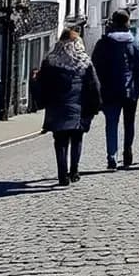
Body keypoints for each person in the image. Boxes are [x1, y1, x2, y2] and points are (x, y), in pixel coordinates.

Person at [38, 29, 102, 185]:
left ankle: (62, 175)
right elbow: (94, 86)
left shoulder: (50, 61)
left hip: (57, 109)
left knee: (60, 142)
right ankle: (74, 171)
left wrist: (42, 103)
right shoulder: (84, 62)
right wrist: (96, 106)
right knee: (77, 139)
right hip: (78, 109)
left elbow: (42, 86)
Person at [92, 10, 139, 170]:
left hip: (109, 91)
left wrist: (99, 87)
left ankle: (112, 156)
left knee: (111, 123)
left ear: (113, 23)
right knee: (129, 123)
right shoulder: (134, 41)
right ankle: (127, 150)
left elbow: (94, 66)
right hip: (129, 91)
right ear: (127, 23)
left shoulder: (103, 43)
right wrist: (137, 87)